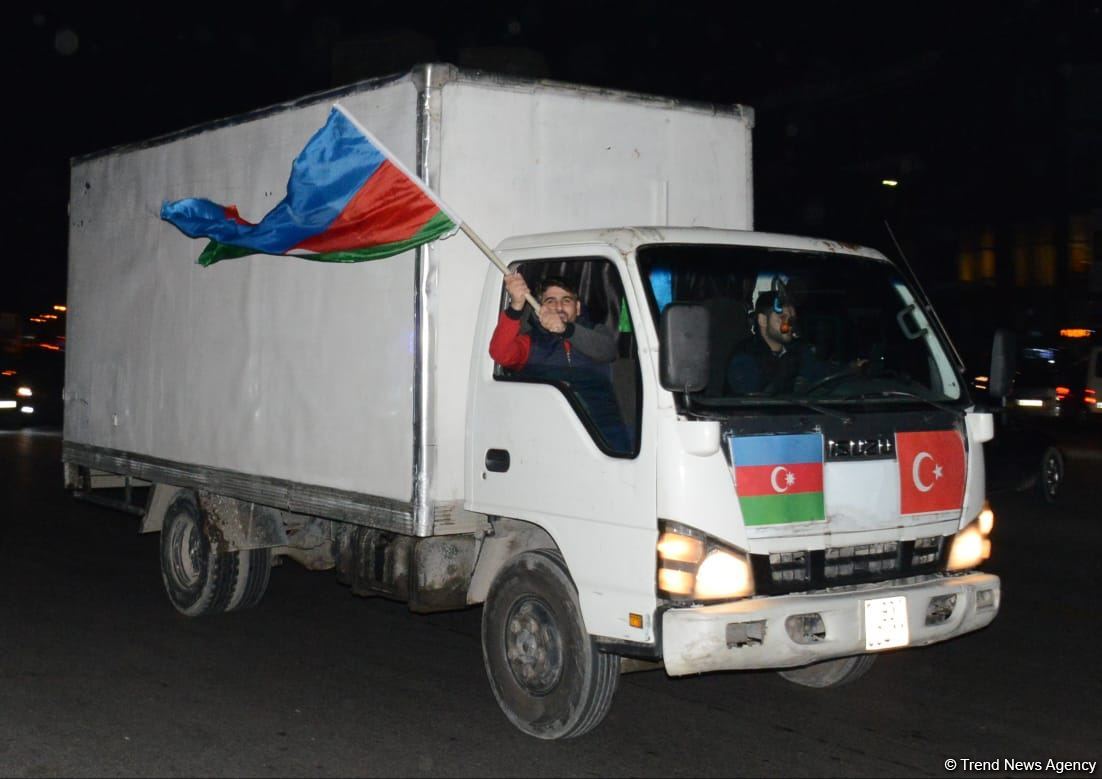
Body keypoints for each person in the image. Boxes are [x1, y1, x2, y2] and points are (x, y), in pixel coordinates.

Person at [490, 272, 630, 451]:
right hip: (550, 438)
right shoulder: (530, 342)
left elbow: (608, 351)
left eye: (566, 300)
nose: (558, 307)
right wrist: (516, 307)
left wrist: (566, 330)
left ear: (577, 308)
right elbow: (500, 353)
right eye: (550, 301)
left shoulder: (596, 333)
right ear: (539, 309)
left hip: (603, 439)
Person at [726, 290, 842, 395]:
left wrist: (851, 370)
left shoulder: (797, 350)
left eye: (792, 319)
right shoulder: (744, 356)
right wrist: (783, 372)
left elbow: (824, 376)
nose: (789, 325)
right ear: (763, 320)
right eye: (782, 317)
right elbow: (751, 403)